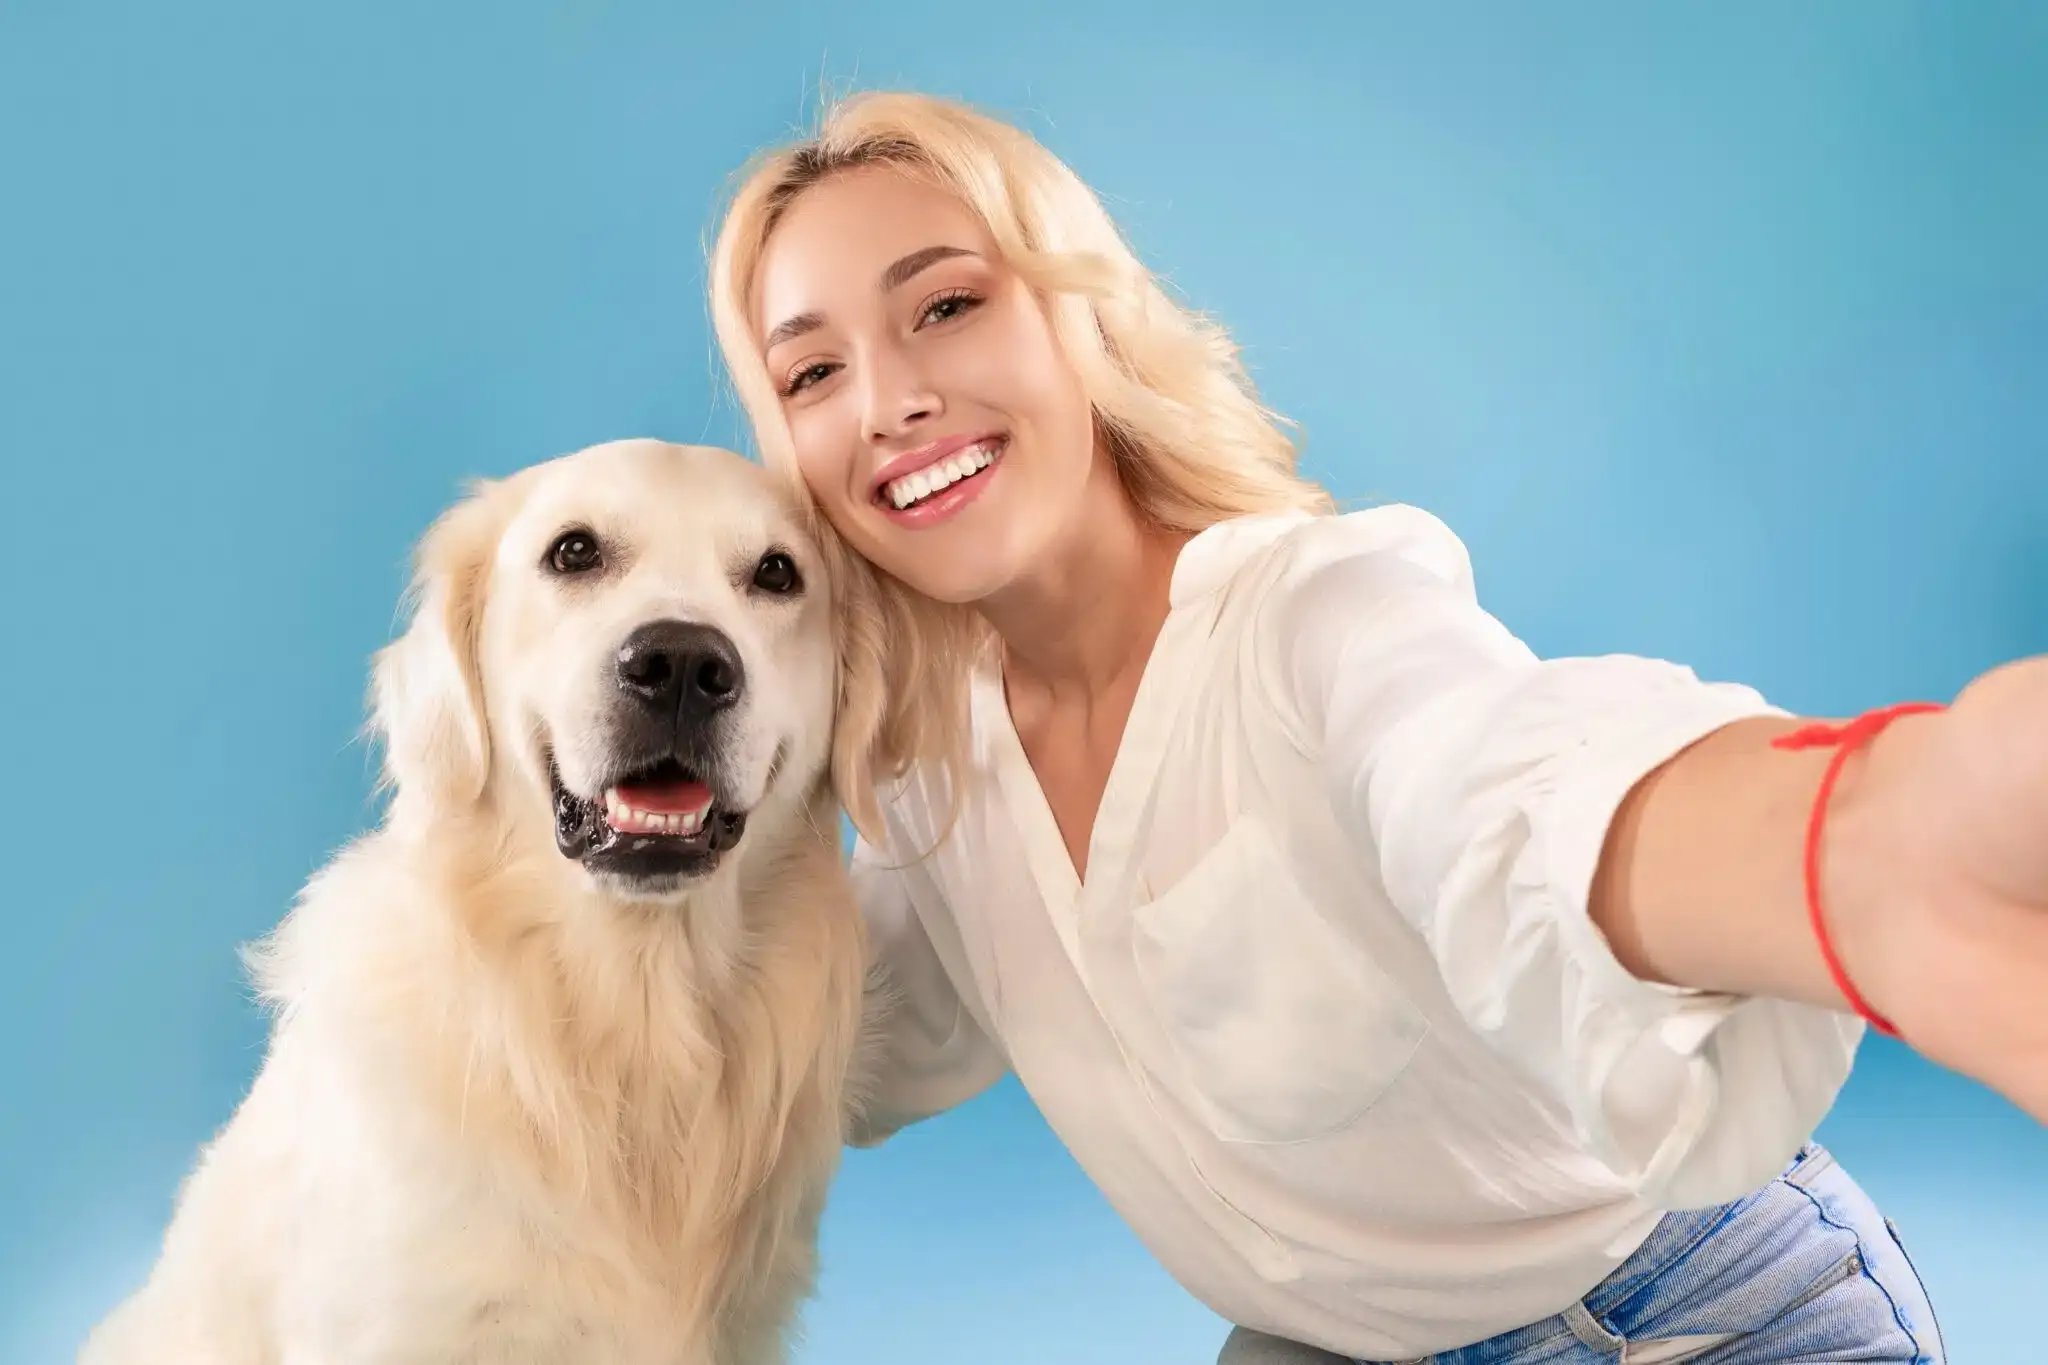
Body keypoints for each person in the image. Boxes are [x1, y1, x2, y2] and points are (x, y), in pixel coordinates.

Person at [704, 90, 2044, 1364]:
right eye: (812, 373)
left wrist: (1846, 844)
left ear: (1083, 322)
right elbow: (828, 1020)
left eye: (945, 305)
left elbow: (1507, 793)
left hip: (1696, 1315)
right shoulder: (944, 776)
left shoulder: (1312, 621)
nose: (888, 404)